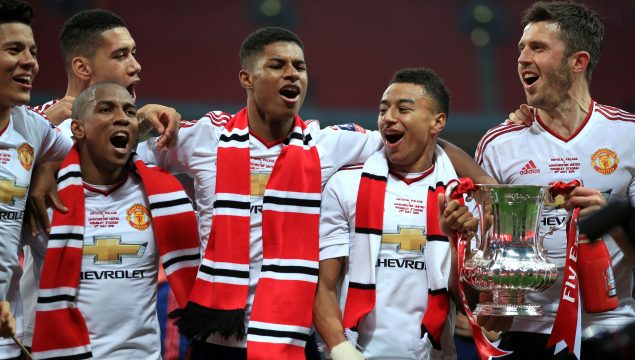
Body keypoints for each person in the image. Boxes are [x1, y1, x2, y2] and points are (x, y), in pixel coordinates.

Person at [136, 27, 491, 359]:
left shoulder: (329, 144)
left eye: (300, 67)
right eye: (277, 65)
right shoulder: (204, 138)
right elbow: (126, 157)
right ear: (247, 77)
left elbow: (427, 142)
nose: (293, 74)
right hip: (218, 336)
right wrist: (140, 118)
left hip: (293, 336)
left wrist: (491, 192)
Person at [475, 2, 635, 359]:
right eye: (521, 48)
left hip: (610, 329)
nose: (522, 58)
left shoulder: (631, 136)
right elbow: (482, 260)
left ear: (578, 62)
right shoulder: (499, 145)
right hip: (528, 332)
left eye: (538, 48)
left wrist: (613, 219)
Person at [19, 8, 181, 350]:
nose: (135, 65)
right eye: (121, 55)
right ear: (82, 67)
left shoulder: (144, 133)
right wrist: (46, 153)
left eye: (133, 53)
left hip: (136, 347)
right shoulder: (32, 128)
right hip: (47, 341)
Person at [313, 68, 478, 359]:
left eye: (403, 109)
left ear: (437, 122)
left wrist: (458, 245)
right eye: (383, 109)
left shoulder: (460, 198)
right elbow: (322, 286)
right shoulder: (345, 185)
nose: (388, 117)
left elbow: (468, 302)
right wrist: (339, 349)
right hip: (356, 353)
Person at [30, 82, 200, 360]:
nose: (121, 117)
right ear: (77, 129)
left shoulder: (163, 197)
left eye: (130, 112)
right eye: (106, 109)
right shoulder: (44, 195)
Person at [0, 1, 73, 358]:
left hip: (6, 339)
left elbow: (84, 145)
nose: (30, 61)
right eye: (14, 49)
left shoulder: (30, 128)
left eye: (32, 50)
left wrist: (43, 170)